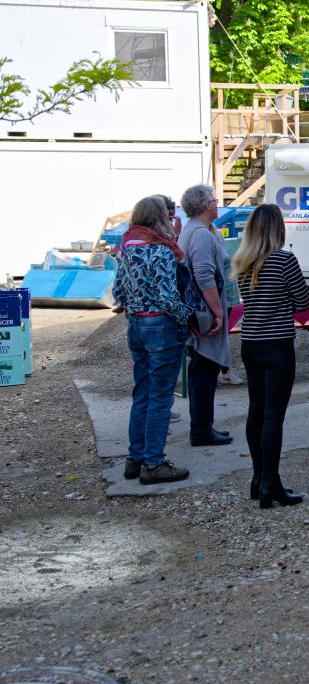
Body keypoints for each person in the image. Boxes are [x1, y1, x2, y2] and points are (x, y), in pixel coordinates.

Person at [232, 204, 309, 509]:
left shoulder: (243, 262)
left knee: (257, 411)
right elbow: (303, 302)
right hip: (277, 343)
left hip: (250, 343)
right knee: (273, 417)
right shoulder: (284, 260)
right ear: (278, 229)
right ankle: (271, 482)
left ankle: (258, 477)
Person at [113, 196, 193, 485]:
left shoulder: (127, 247)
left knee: (143, 393)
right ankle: (154, 463)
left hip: (136, 323)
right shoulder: (160, 250)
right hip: (161, 324)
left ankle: (135, 458)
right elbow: (168, 296)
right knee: (161, 396)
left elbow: (118, 292)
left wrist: (133, 304)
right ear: (161, 216)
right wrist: (188, 316)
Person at [179, 184, 233, 448]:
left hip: (199, 312)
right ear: (204, 206)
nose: (217, 202)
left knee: (204, 370)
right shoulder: (200, 234)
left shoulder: (195, 231)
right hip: (204, 314)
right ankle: (201, 429)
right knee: (204, 370)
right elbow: (203, 274)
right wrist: (218, 311)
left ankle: (203, 426)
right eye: (214, 199)